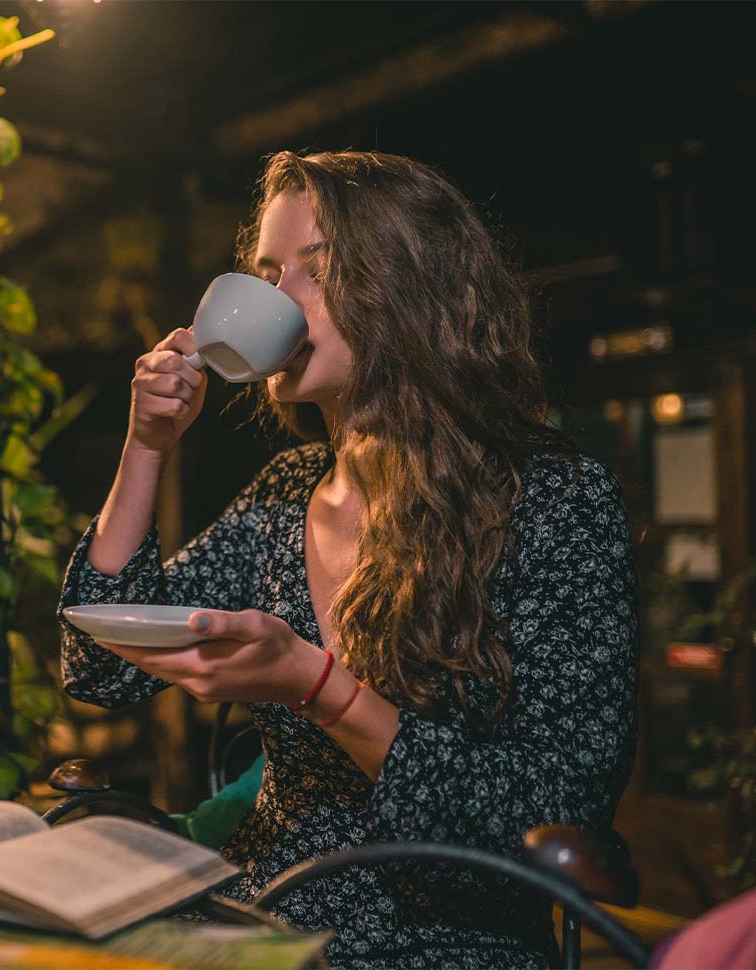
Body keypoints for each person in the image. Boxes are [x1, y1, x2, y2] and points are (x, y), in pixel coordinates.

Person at [57, 150, 638, 969]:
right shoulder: (285, 494)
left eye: (314, 272)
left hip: (445, 943)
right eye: (265, 271)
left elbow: (553, 811)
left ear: (407, 290)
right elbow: (98, 667)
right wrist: (148, 445)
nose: (273, 298)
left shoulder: (554, 501)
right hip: (261, 918)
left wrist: (317, 687)